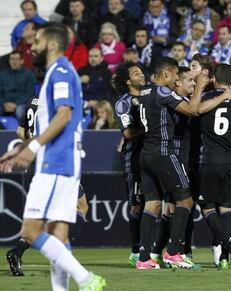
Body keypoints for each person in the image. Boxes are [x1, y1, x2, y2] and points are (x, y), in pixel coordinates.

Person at [0, 23, 106, 290]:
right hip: (61, 161)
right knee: (59, 235)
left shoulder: (59, 72)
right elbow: (53, 122)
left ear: (52, 44)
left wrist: (32, 149)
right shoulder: (58, 74)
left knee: (31, 231)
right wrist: (23, 147)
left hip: (55, 163)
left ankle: (87, 279)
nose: (32, 46)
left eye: (36, 41)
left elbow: (64, 115)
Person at [135, 57, 205, 269]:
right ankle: (173, 253)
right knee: (186, 202)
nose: (176, 80)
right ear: (166, 74)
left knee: (152, 204)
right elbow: (192, 110)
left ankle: (144, 258)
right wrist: (200, 84)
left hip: (146, 155)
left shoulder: (144, 92)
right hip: (164, 153)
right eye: (175, 75)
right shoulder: (162, 91)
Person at [197, 63, 231, 269]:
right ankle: (224, 258)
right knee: (226, 209)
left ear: (214, 79)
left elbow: (196, 110)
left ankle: (230, 246)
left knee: (207, 207)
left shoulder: (207, 99)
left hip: (210, 161)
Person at [113, 62, 146, 267]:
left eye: (142, 72)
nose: (141, 75)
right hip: (134, 159)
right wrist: (152, 128)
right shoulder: (123, 103)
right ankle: (136, 250)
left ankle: (151, 250)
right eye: (136, 73)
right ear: (128, 80)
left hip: (153, 157)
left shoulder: (151, 95)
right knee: (137, 206)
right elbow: (127, 133)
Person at [0, 51, 36, 121]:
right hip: (4, 105)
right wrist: (4, 104)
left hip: (21, 104)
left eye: (16, 59)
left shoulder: (29, 74)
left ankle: (22, 131)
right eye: (11, 59)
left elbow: (30, 94)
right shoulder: (2, 74)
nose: (14, 61)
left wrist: (16, 104)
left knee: (20, 111)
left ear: (22, 61)